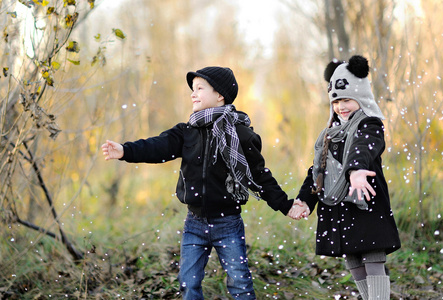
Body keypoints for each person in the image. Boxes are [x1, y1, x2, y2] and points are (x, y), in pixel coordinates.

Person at [102, 66, 303, 299]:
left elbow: (259, 176)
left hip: (228, 223)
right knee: (188, 283)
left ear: (220, 96)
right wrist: (126, 150)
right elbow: (157, 146)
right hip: (194, 224)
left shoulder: (241, 134)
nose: (193, 93)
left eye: (200, 88)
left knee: (239, 283)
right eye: (192, 89)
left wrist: (285, 205)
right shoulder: (186, 132)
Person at [292, 56, 401, 300]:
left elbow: (363, 148)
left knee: (373, 255)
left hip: (366, 202)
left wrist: (356, 170)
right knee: (352, 258)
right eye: (336, 101)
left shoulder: (370, 124)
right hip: (339, 205)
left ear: (361, 98)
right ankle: (369, 297)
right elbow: (318, 170)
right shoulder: (329, 134)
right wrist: (305, 201)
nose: (341, 106)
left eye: (347, 100)